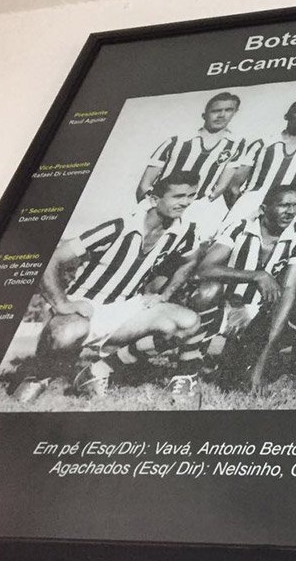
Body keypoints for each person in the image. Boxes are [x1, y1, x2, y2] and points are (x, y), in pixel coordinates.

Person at [11, 171, 203, 401]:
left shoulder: (184, 232)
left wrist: (165, 294)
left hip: (126, 309)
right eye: (178, 196)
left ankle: (99, 370)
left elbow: (190, 260)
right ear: (154, 199)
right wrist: (62, 304)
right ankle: (40, 375)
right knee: (65, 334)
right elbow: (51, 258)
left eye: (191, 195)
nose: (185, 202)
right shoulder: (119, 226)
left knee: (188, 322)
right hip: (85, 306)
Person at [187, 184, 296, 394]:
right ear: (263, 209)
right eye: (284, 205)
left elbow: (289, 290)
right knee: (207, 291)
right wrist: (256, 276)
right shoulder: (239, 227)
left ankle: (252, 360)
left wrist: (260, 365)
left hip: (263, 314)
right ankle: (191, 365)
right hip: (227, 307)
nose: (291, 211)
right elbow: (204, 269)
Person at [136, 92, 250, 238]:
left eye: (228, 110)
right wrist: (153, 207)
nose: (221, 115)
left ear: (235, 112)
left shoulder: (235, 146)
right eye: (216, 111)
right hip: (161, 205)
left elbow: (221, 186)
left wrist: (198, 206)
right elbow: (144, 184)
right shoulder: (178, 141)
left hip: (193, 209)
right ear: (205, 115)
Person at [223, 98, 296, 228]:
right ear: (288, 115)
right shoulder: (263, 142)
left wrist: (294, 205)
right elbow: (233, 186)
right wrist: (242, 208)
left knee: (288, 240)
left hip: (290, 207)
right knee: (231, 236)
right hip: (254, 201)